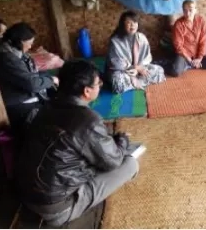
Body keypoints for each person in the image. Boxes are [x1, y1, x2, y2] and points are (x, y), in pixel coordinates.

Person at [16, 59, 138, 226]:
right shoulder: (87, 120)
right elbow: (114, 161)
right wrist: (122, 141)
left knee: (93, 153)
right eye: (98, 83)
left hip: (26, 191)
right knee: (130, 163)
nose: (100, 85)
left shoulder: (47, 106)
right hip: (56, 208)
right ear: (87, 91)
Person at [0, 22, 58, 135]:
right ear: (21, 41)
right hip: (19, 103)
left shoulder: (16, 53)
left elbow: (31, 76)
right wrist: (51, 80)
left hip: (26, 96)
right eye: (30, 43)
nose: (31, 46)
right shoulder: (5, 57)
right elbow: (32, 84)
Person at [105, 11, 165, 93]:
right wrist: (134, 68)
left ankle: (135, 83)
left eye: (135, 22)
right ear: (122, 24)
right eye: (129, 23)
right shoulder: (115, 41)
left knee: (159, 70)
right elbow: (116, 63)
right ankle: (138, 82)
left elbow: (147, 57)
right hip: (122, 71)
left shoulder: (141, 37)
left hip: (139, 69)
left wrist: (138, 68)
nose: (132, 25)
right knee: (118, 81)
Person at [169, 0, 206, 77]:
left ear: (195, 10)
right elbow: (178, 45)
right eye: (185, 10)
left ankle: (193, 65)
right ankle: (189, 64)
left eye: (190, 10)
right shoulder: (178, 24)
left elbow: (204, 41)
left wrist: (200, 58)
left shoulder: (201, 21)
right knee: (176, 72)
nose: (188, 13)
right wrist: (188, 59)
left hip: (198, 54)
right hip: (184, 56)